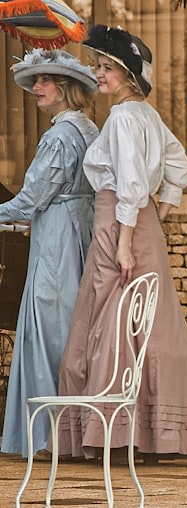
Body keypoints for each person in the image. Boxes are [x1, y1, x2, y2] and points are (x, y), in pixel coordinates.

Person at [57, 25, 187, 462]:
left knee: (111, 314)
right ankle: (156, 432)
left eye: (106, 68)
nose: (98, 74)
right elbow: (178, 165)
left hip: (119, 223)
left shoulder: (125, 117)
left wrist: (125, 239)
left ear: (127, 75)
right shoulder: (148, 115)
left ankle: (112, 430)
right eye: (99, 66)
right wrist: (158, 213)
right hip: (140, 221)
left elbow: (128, 182)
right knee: (150, 320)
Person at [0, 49, 100, 458]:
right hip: (78, 231)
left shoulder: (59, 136)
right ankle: (73, 433)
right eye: (35, 81)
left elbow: (30, 200)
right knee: (72, 328)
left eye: (45, 81)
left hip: (58, 239)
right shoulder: (88, 129)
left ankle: (47, 436)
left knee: (48, 330)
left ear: (66, 88)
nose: (36, 89)